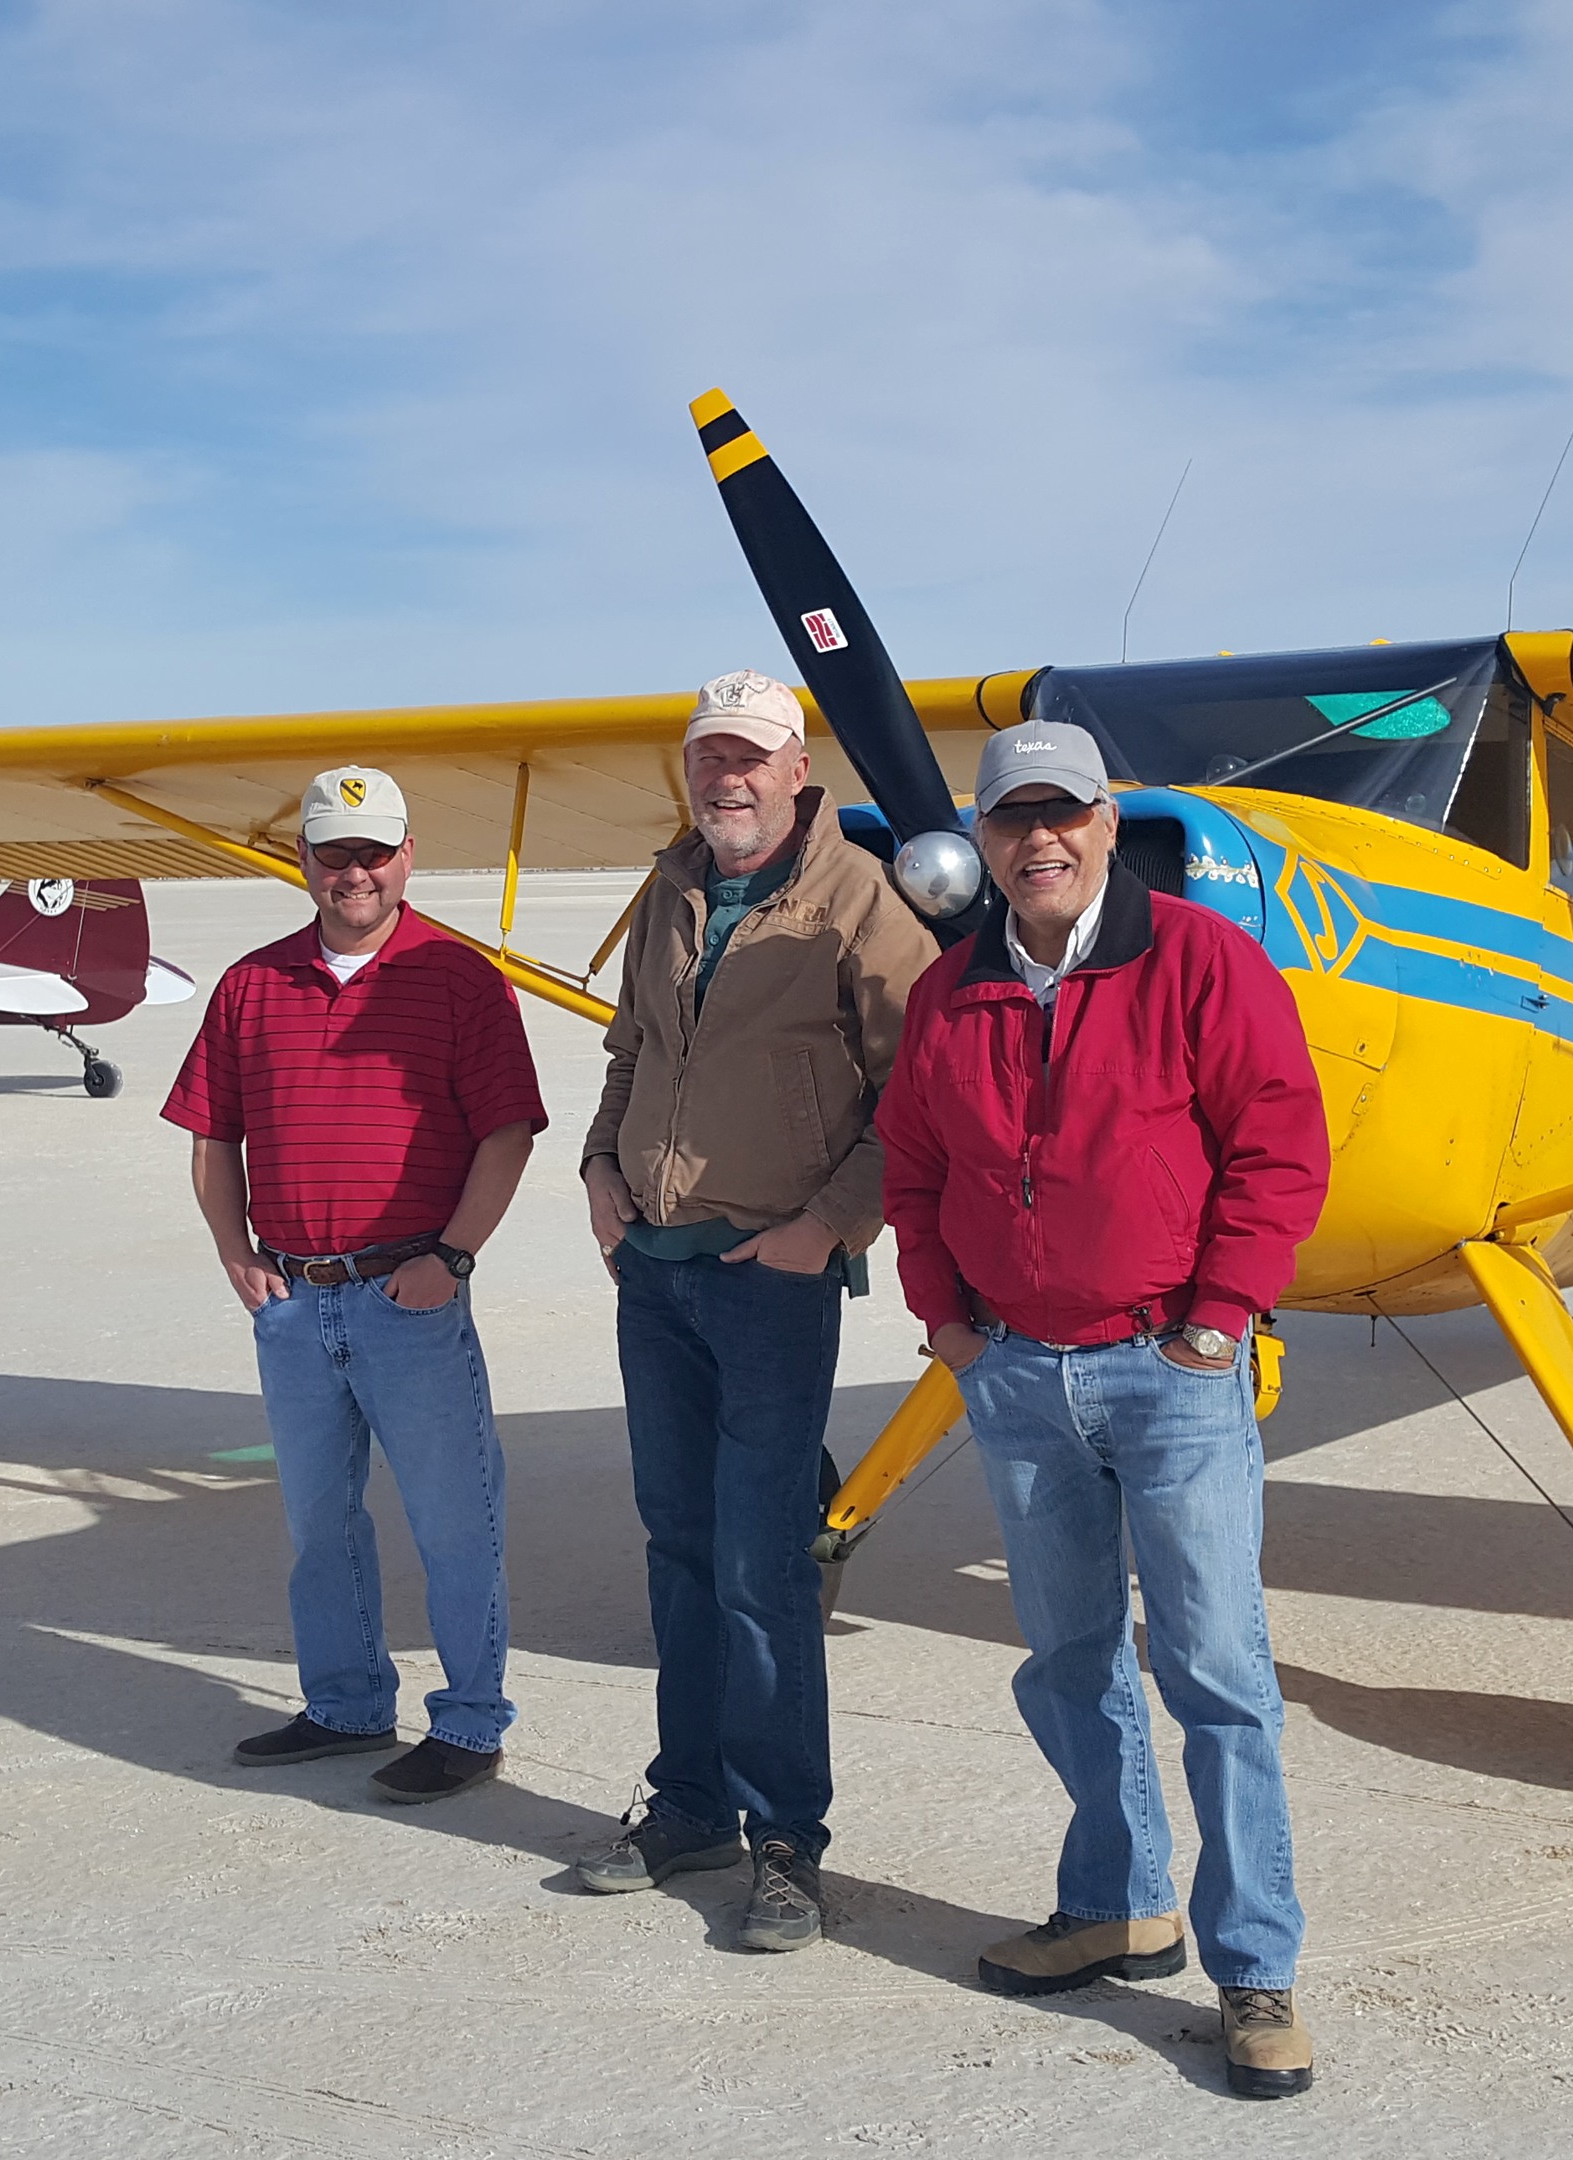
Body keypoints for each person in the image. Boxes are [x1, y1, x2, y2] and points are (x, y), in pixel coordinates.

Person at [875, 718, 1332, 2099]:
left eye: (1063, 812)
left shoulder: (1202, 961)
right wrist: (945, 1319)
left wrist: (1221, 1312)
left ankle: (1252, 1967)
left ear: (1107, 817)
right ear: (986, 837)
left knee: (1215, 1673)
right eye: (1014, 819)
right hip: (1016, 1373)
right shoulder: (950, 993)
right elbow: (910, 1166)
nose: (1041, 840)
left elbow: (1281, 1143)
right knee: (1068, 1661)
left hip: (1170, 1372)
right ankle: (1118, 1902)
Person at [573, 670, 935, 1951]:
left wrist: (827, 1226)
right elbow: (629, 1050)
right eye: (707, 758)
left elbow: (920, 1094)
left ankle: (787, 1839)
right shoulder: (673, 885)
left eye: (748, 758)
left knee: (760, 1564)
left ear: (796, 770)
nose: (725, 778)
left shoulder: (858, 902)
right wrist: (601, 1173)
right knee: (676, 1547)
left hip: (768, 1281)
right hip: (654, 1271)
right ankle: (688, 1807)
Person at [162, 764, 547, 1805]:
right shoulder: (254, 984)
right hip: (292, 1300)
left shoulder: (458, 978)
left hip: (407, 1295)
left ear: (407, 857)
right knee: (317, 1522)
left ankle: (470, 1722)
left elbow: (506, 1131)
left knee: (455, 1518)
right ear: (307, 863)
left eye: (375, 852)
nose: (357, 872)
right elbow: (213, 1137)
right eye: (336, 853)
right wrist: (235, 1254)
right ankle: (343, 1703)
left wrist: (452, 1258)